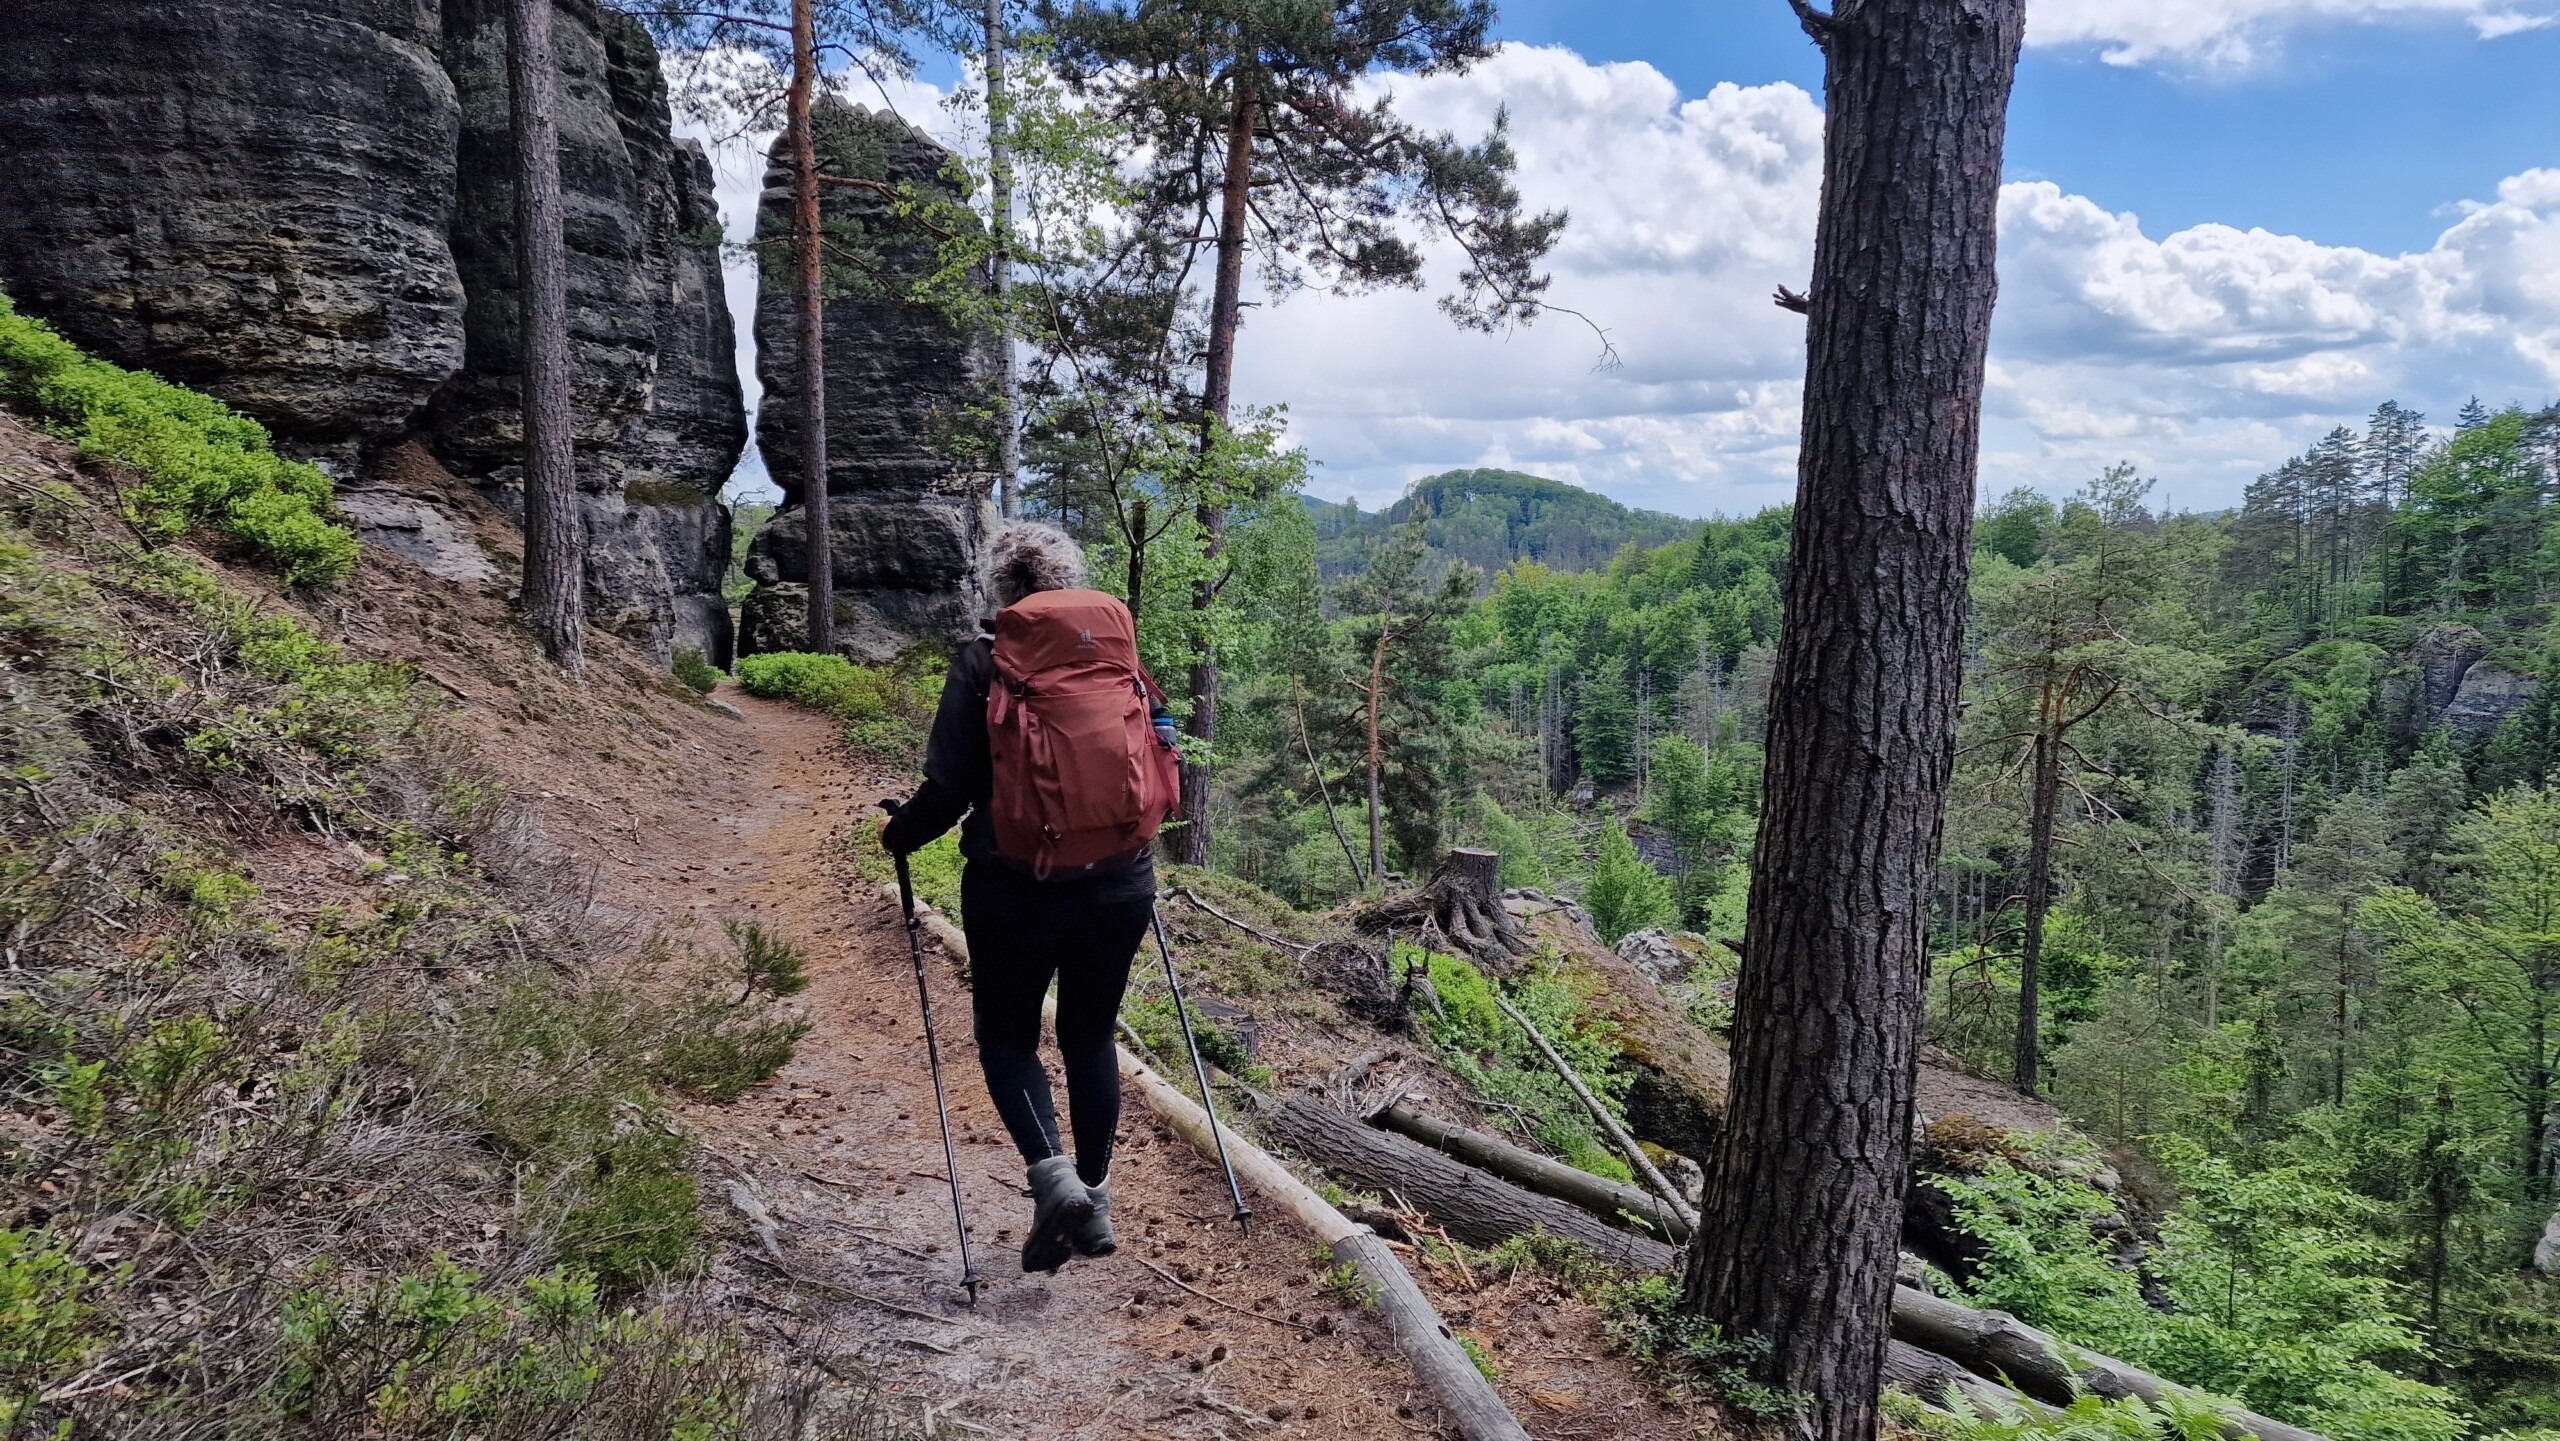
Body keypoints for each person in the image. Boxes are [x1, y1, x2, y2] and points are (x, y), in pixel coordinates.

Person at [877, 521, 1167, 1273]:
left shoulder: (984, 661)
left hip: (1014, 885)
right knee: (1089, 1037)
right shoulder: (1116, 657)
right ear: (1070, 581)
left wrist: (898, 834)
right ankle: (1092, 1198)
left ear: (1000, 588)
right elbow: (1159, 746)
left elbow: (948, 790)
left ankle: (1054, 1179)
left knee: (1008, 1039)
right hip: (1121, 880)